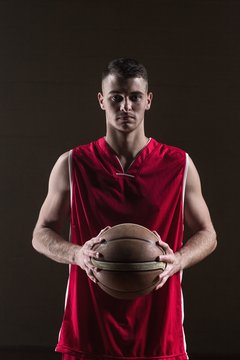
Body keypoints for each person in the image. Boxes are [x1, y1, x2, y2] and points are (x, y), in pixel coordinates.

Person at [32, 58, 217, 360]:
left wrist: (179, 259)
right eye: (116, 97)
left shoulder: (180, 164)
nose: (126, 106)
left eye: (135, 97)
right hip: (87, 331)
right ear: (102, 100)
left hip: (159, 334)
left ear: (148, 100)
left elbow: (208, 233)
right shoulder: (72, 163)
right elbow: (40, 233)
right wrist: (77, 255)